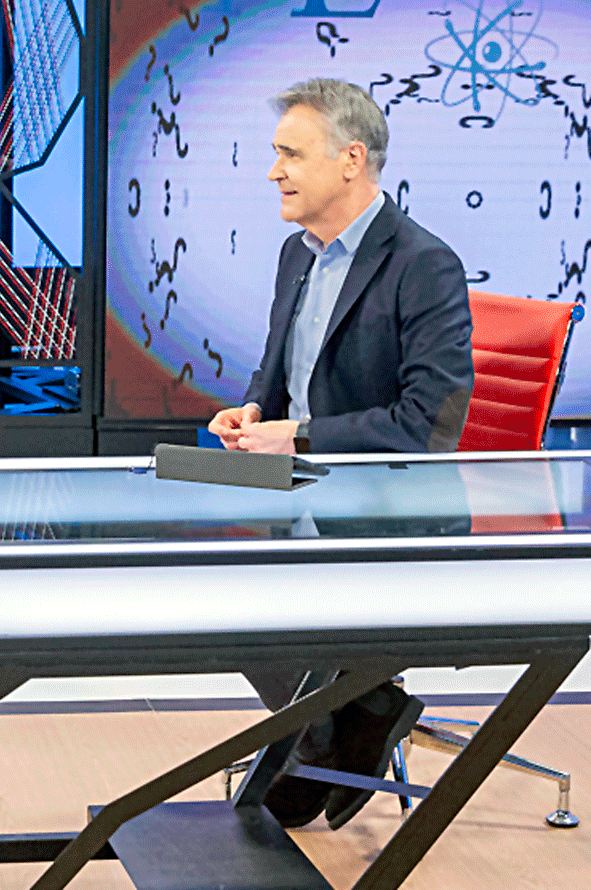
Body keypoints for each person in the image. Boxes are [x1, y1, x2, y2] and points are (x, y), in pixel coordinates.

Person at [207, 78, 474, 830]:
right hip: (300, 488)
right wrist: (253, 411)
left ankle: (319, 732)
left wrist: (295, 435)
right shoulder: (296, 255)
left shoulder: (424, 264)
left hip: (389, 508)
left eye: (291, 155)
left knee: (234, 588)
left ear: (351, 159)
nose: (274, 172)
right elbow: (282, 374)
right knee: (194, 564)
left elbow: (427, 426)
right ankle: (354, 713)